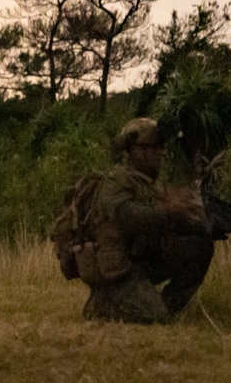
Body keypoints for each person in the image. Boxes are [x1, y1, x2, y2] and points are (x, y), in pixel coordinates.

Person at [76, 117, 215, 324]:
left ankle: (165, 306)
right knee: (156, 318)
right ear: (136, 150)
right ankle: (104, 303)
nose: (161, 152)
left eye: (161, 147)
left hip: (144, 261)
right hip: (121, 270)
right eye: (154, 147)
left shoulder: (152, 185)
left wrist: (212, 222)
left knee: (200, 245)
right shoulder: (116, 181)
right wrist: (169, 211)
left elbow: (175, 220)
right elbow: (126, 217)